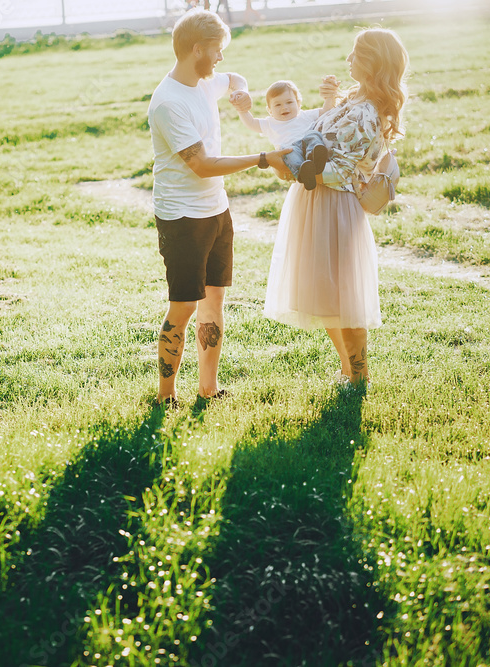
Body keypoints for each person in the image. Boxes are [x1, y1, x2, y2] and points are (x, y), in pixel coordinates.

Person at [243, 28, 409, 390]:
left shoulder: (367, 112)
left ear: (372, 62)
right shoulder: (351, 98)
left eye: (355, 54)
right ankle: (348, 369)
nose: (348, 59)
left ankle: (359, 374)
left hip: (334, 206)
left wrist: (290, 170)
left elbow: (345, 170)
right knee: (323, 293)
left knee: (343, 293)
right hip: (312, 200)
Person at [148, 8, 289, 406]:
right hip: (182, 216)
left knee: (213, 300)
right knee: (184, 305)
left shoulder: (206, 82)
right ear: (197, 50)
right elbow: (203, 165)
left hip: (216, 210)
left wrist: (239, 93)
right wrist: (264, 158)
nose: (221, 59)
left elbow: (235, 79)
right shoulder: (168, 103)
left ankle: (208, 389)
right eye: (216, 51)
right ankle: (165, 396)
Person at [232, 77, 340, 190]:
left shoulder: (305, 115)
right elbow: (251, 123)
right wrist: (242, 111)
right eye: (278, 105)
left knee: (313, 135)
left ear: (298, 104)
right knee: (289, 155)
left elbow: (326, 111)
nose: (284, 107)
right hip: (291, 150)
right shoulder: (270, 123)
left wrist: (331, 95)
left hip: (308, 145)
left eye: (289, 102)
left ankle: (316, 157)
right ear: (270, 110)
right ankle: (304, 173)